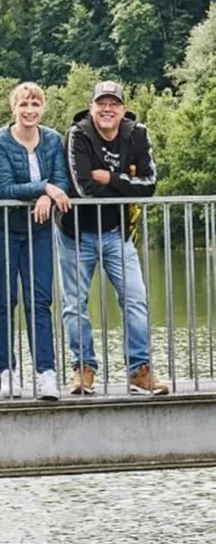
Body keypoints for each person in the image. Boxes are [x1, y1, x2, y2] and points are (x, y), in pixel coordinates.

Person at [57, 80, 168, 396]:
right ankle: (83, 370)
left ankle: (140, 371)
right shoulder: (78, 134)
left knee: (136, 299)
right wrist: (126, 185)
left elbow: (149, 185)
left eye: (114, 104)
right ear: (91, 108)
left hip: (117, 234)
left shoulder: (137, 134)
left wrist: (111, 177)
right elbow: (82, 189)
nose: (107, 109)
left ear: (123, 109)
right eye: (101, 103)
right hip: (76, 234)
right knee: (74, 305)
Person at [0, 82, 69, 402]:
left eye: (35, 104)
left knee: (40, 301)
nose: (29, 110)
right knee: (3, 301)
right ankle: (6, 372)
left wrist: (48, 193)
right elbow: (4, 188)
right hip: (2, 229)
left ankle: (46, 373)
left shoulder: (53, 139)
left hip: (39, 230)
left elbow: (62, 181)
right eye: (23, 104)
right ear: (13, 108)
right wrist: (44, 189)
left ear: (43, 108)